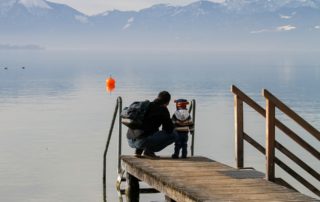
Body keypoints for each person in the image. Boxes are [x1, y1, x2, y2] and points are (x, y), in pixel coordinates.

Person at [127, 91, 177, 158]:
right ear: (167, 102)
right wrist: (173, 124)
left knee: (149, 129)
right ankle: (149, 151)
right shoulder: (163, 109)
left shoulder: (145, 106)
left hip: (130, 140)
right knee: (174, 135)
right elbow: (169, 129)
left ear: (157, 97)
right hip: (141, 142)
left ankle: (138, 152)